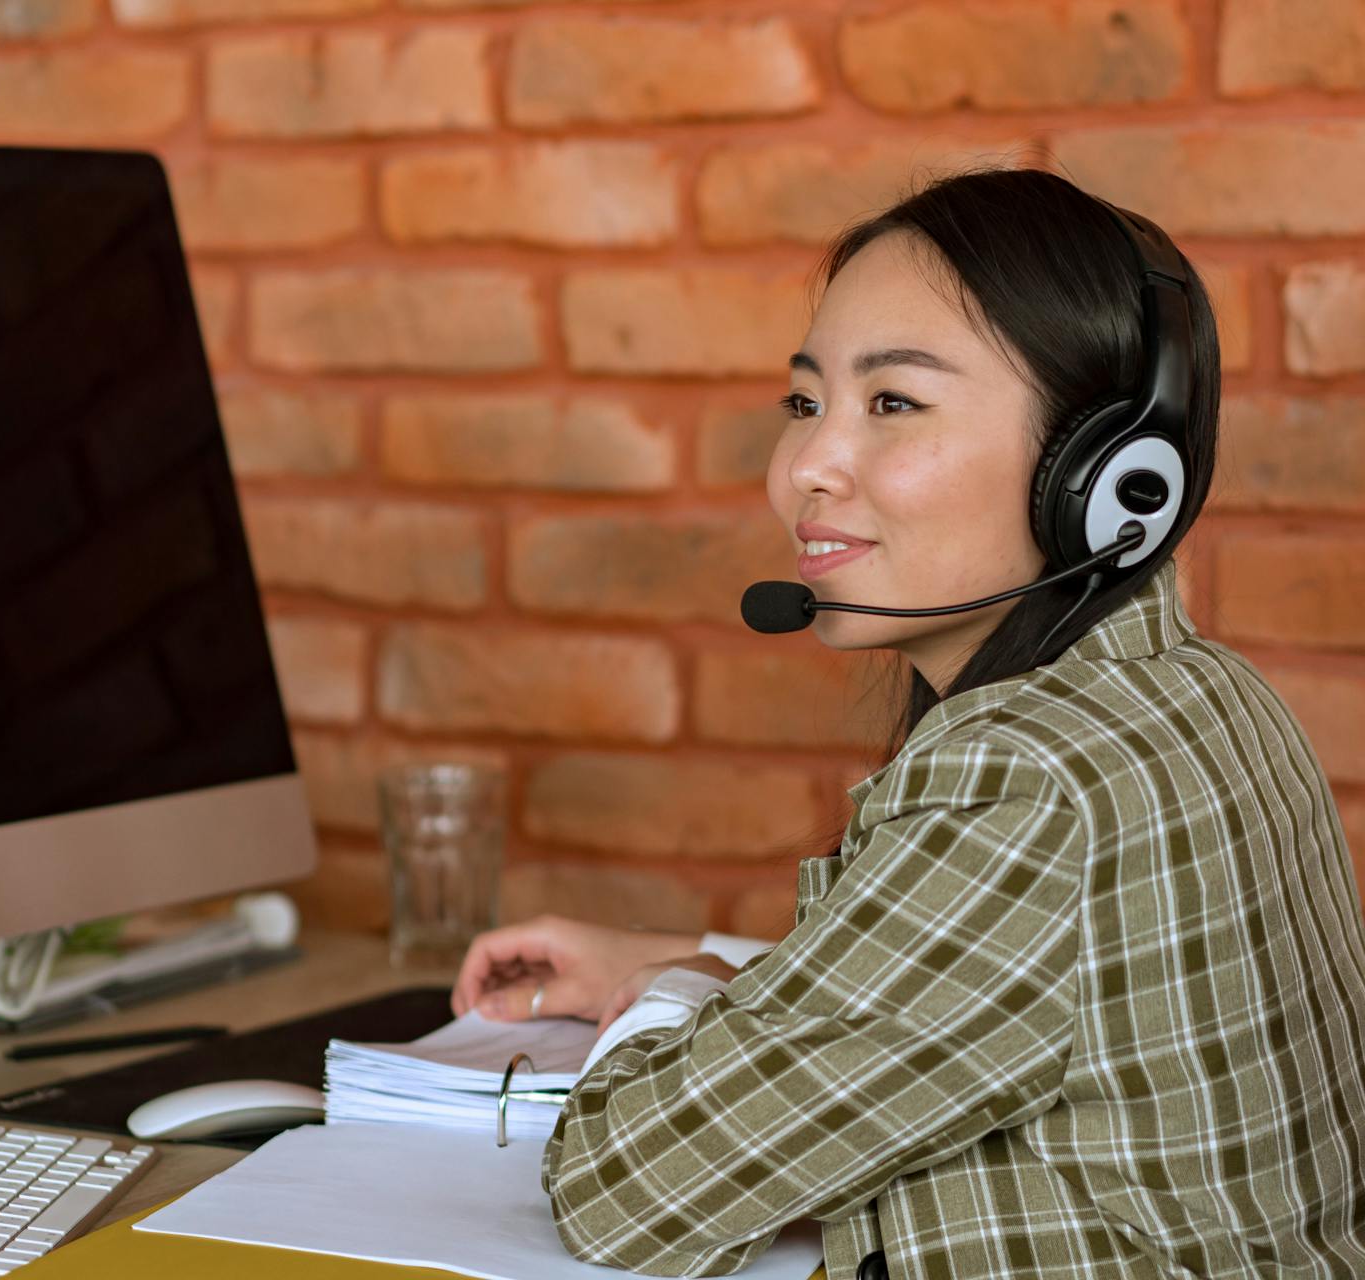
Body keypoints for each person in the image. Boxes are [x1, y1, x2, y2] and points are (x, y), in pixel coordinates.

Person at [450, 168, 1365, 1279]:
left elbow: (625, 1188)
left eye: (893, 402)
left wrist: (678, 993)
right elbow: (1005, 1002)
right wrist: (713, 968)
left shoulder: (1022, 777)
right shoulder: (1199, 689)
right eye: (805, 403)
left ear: (1102, 477)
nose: (804, 469)